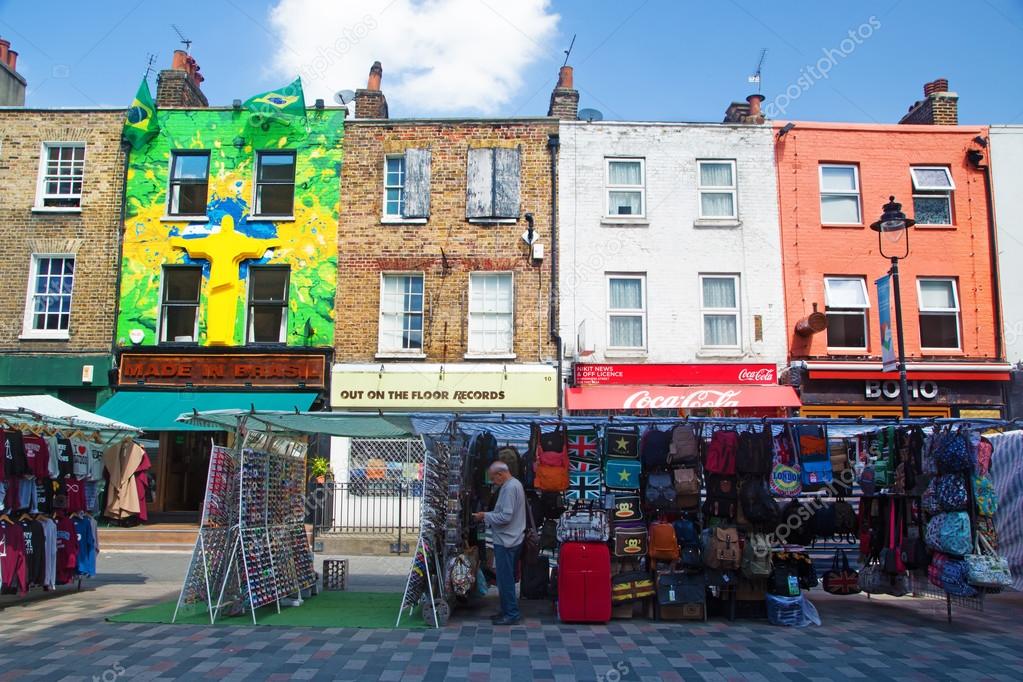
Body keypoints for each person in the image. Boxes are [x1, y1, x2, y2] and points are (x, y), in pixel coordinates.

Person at [472, 461, 525, 625]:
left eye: (494, 479)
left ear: (500, 474)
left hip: (507, 540)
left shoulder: (509, 488)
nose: (493, 482)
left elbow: (505, 516)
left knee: (505, 579)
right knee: (505, 578)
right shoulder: (514, 485)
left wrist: (484, 516)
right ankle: (507, 610)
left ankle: (511, 613)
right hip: (510, 538)